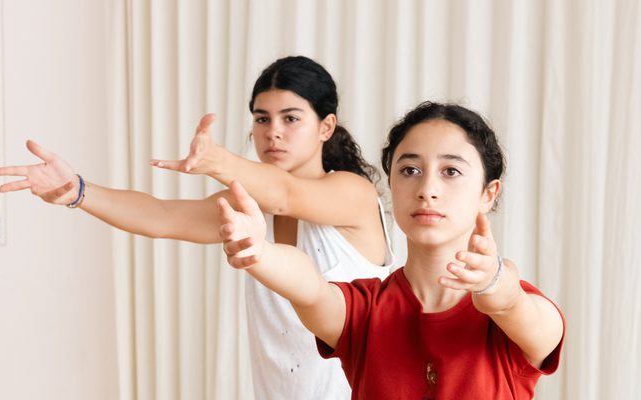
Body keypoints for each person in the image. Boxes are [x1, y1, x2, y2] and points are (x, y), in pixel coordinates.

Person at [0, 56, 392, 399]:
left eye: (291, 118)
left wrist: (217, 161)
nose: (273, 132)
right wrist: (78, 190)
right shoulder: (250, 207)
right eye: (261, 118)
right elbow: (160, 217)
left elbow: (285, 195)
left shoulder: (351, 193)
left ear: (326, 126)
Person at [219, 101, 565, 399]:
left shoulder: (519, 315)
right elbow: (310, 289)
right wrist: (260, 252)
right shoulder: (363, 312)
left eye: (451, 171)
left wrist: (494, 285)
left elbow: (519, 310)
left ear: (488, 193)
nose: (427, 188)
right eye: (410, 170)